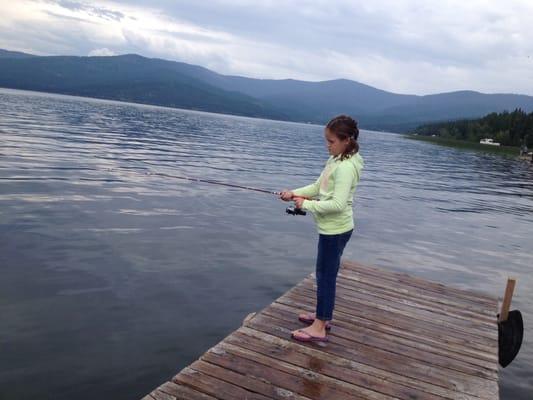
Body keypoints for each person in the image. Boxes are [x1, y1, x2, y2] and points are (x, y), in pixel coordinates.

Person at [280, 115, 364, 343]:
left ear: (346, 140)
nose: (327, 145)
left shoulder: (346, 167)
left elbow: (337, 204)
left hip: (336, 230)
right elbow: (319, 187)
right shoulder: (336, 160)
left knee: (326, 276)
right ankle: (321, 317)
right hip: (330, 228)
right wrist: (294, 193)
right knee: (324, 274)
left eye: (331, 141)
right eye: (326, 141)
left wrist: (306, 204)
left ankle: (319, 327)